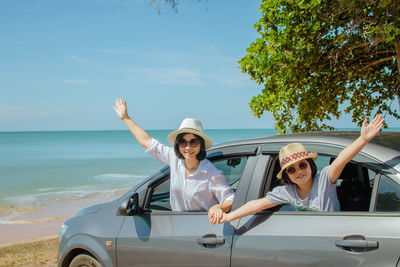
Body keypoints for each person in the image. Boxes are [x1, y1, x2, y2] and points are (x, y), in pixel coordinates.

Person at [212, 114, 384, 225]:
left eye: (302, 165)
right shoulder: (286, 192)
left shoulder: (325, 179)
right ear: (287, 175)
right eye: (291, 170)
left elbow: (342, 158)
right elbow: (256, 204)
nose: (299, 171)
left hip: (330, 239)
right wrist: (228, 217)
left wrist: (363, 139)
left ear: (310, 165)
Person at [113, 98, 234, 224]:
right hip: (178, 225)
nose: (188, 147)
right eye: (183, 142)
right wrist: (125, 118)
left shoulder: (210, 172)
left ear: (201, 145)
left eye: (193, 142)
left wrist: (218, 207)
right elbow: (147, 142)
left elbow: (230, 198)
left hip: (204, 227)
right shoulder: (174, 159)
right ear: (177, 144)